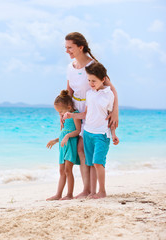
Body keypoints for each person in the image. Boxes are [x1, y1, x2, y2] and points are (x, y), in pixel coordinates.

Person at [64, 32, 119, 199]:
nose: (67, 51)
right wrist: (65, 113)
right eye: (65, 48)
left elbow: (112, 90)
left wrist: (115, 112)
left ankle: (92, 190)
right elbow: (69, 91)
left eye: (70, 47)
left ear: (80, 47)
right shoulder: (70, 67)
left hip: (93, 110)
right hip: (78, 109)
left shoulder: (93, 66)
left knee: (86, 149)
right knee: (81, 150)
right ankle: (87, 189)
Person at [46, 90, 81, 200]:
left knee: (68, 169)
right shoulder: (64, 118)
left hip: (70, 144)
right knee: (61, 171)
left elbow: (77, 131)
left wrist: (67, 136)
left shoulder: (74, 115)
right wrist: (56, 140)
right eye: (58, 112)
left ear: (70, 107)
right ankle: (58, 194)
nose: (60, 114)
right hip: (63, 145)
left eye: (61, 111)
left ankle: (69, 194)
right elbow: (64, 133)